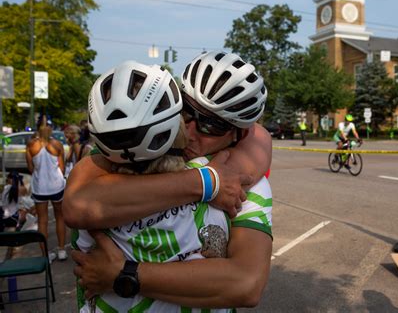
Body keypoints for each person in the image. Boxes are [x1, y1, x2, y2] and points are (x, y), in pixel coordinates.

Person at [65, 51, 272, 309]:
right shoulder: (132, 147)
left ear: (238, 135)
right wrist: (207, 182)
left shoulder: (243, 180)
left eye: (211, 126)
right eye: (186, 112)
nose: (190, 131)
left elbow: (246, 285)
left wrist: (125, 274)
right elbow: (77, 206)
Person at [26, 116, 68, 261]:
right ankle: (62, 250)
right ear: (50, 129)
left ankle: (45, 256)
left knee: (42, 220)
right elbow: (62, 169)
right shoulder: (57, 145)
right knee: (60, 217)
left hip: (40, 187)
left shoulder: (31, 145)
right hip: (56, 186)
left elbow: (31, 168)